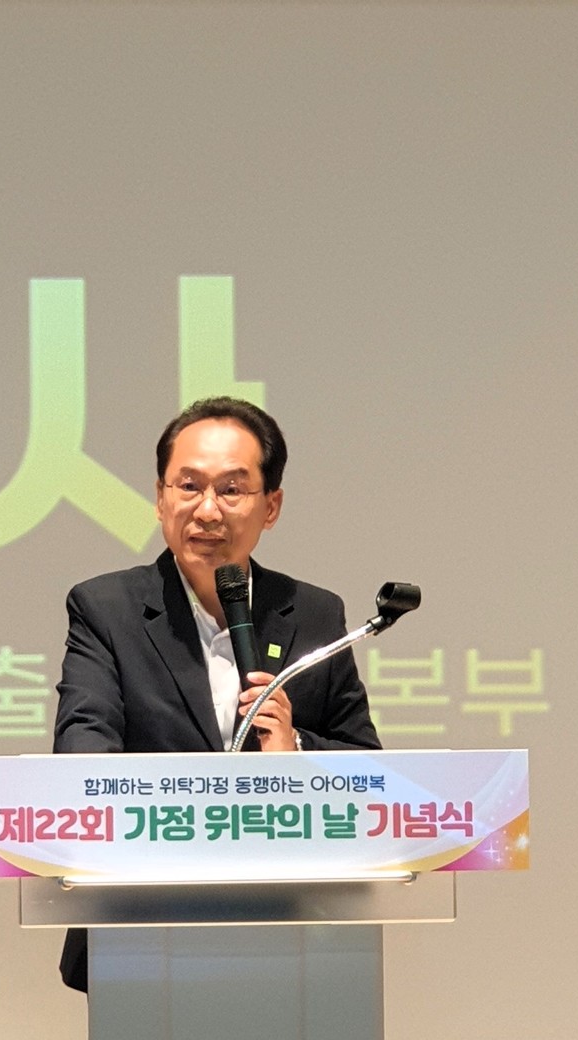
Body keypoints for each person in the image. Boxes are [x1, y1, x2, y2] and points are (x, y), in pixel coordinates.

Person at [53, 396, 381, 991]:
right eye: (188, 486)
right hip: (141, 926)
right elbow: (83, 754)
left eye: (231, 490)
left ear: (271, 506)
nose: (207, 510)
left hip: (296, 924)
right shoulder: (105, 610)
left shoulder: (313, 613)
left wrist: (295, 750)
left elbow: (368, 768)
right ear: (160, 497)